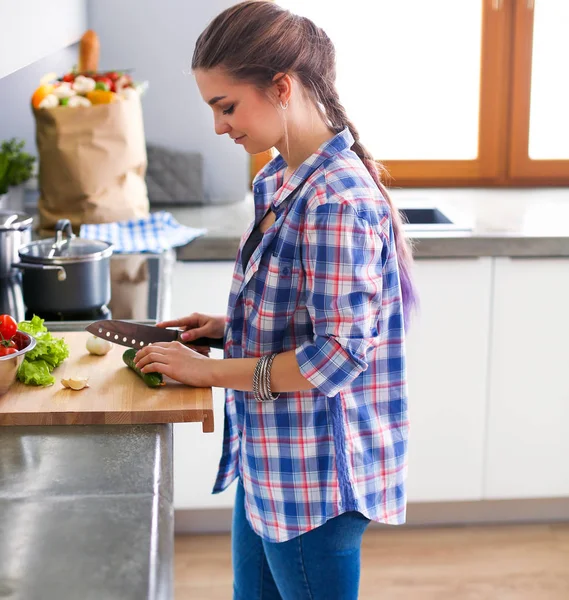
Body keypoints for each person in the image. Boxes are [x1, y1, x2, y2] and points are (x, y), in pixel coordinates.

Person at [134, 2, 417, 598]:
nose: (218, 126)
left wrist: (207, 371)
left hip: (316, 479)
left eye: (226, 105)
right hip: (271, 457)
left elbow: (337, 358)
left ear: (281, 86)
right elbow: (301, 317)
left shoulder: (337, 201)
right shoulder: (280, 176)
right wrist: (222, 327)